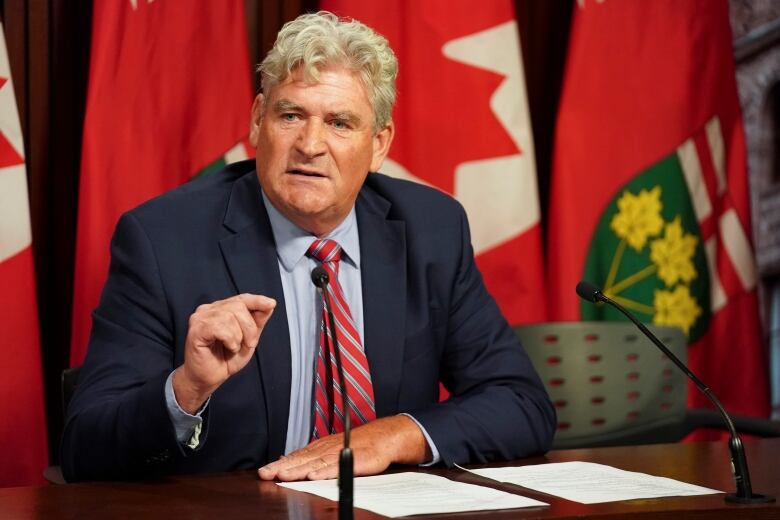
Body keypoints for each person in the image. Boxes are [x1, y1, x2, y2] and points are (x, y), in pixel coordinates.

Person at [61, 11, 555, 482]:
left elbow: (520, 402)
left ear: (379, 144)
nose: (310, 144)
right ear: (258, 121)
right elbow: (85, 447)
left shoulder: (431, 229)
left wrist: (390, 437)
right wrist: (187, 389)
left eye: (340, 123)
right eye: (291, 115)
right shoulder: (163, 240)